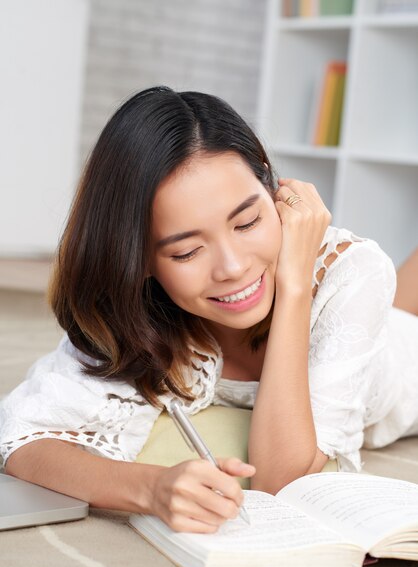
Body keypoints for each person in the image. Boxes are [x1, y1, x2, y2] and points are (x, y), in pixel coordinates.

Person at [1, 86, 417, 534]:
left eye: (248, 222)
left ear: (273, 189)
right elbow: (24, 442)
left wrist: (294, 286)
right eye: (186, 252)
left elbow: (286, 481)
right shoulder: (130, 308)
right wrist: (152, 488)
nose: (233, 268)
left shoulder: (349, 271)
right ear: (137, 259)